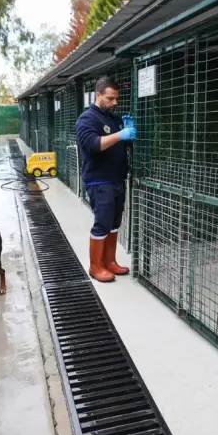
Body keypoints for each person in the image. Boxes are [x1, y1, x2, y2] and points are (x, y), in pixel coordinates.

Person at [75, 76, 137, 282]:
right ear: (98, 95)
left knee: (114, 223)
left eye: (116, 99)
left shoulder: (113, 118)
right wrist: (120, 135)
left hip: (118, 179)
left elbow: (123, 144)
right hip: (99, 181)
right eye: (110, 98)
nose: (114, 103)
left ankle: (110, 262)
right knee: (102, 223)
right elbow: (92, 145)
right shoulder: (87, 119)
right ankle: (95, 266)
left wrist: (129, 134)